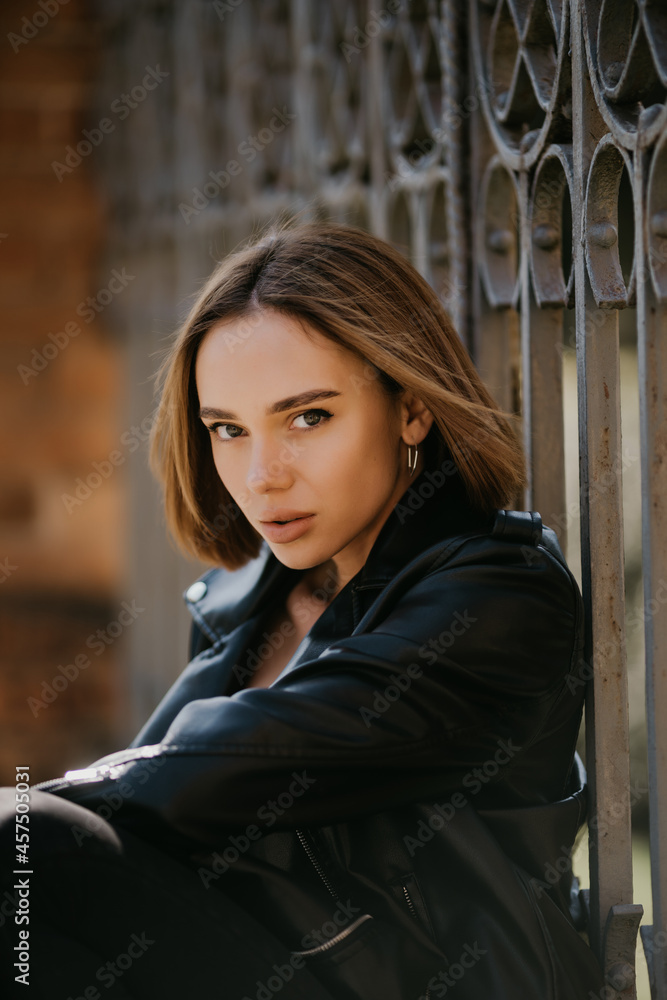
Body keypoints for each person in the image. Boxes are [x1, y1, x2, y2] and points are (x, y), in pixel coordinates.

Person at [0, 222, 605, 999]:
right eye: (227, 429)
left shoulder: (500, 597)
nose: (260, 477)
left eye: (308, 417)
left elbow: (203, 787)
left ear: (411, 409)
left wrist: (32, 819)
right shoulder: (246, 606)